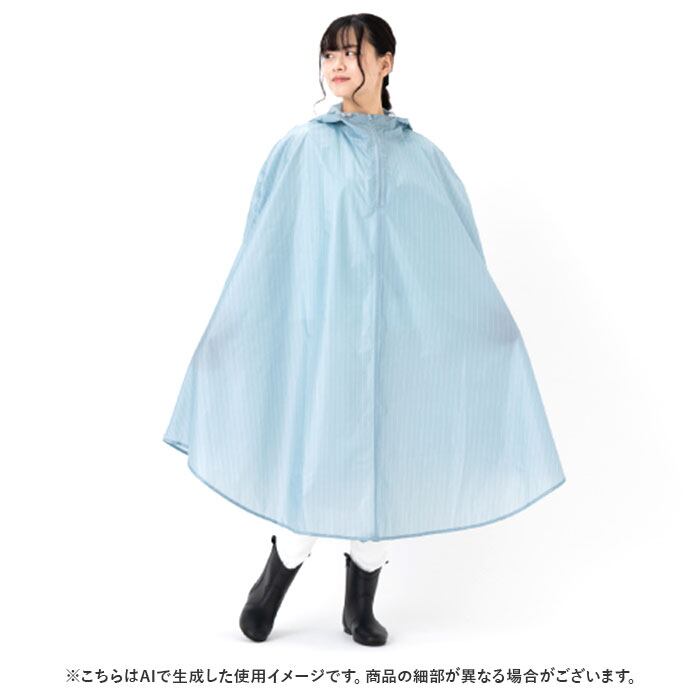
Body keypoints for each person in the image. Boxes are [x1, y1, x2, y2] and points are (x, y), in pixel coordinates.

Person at [163, 14, 566, 647]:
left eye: (351, 52)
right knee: (314, 469)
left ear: (386, 62)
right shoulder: (303, 150)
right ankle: (273, 581)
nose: (337, 64)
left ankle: (359, 608)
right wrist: (235, 323)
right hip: (324, 345)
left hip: (397, 347)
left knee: (385, 471)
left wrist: (489, 326)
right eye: (328, 54)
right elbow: (265, 247)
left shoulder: (422, 158)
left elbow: (455, 253)